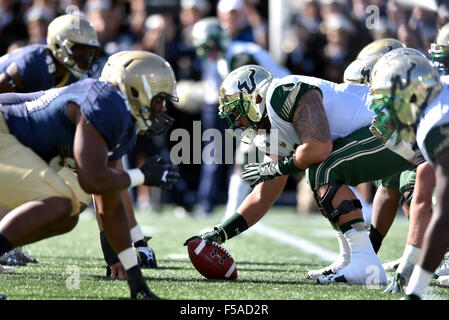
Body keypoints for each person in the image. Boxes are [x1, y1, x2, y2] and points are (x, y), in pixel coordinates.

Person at [184, 63, 414, 285]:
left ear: (255, 99)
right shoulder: (267, 131)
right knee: (319, 173)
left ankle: (365, 261)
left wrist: (278, 167)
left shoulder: (283, 93)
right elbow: (264, 194)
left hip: (394, 122)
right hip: (385, 130)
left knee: (322, 170)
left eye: (237, 112)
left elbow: (318, 148)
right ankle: (351, 259)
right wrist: (221, 232)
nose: (237, 122)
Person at [0, 50, 180, 299]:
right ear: (135, 90)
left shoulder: (123, 122)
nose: (161, 108)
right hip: (5, 131)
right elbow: (91, 179)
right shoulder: (105, 103)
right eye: (159, 99)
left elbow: (108, 198)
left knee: (67, 214)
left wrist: (134, 276)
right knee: (59, 203)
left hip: (16, 144)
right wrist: (143, 176)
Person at [0, 13, 100, 267]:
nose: (86, 57)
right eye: (79, 49)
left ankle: (10, 241)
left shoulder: (73, 75)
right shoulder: (33, 64)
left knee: (57, 196)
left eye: (90, 51)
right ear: (58, 45)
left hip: (19, 130)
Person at [191, 17, 291, 219]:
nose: (206, 52)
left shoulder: (240, 56)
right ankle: (231, 216)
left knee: (316, 158)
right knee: (245, 160)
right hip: (272, 105)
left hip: (283, 102)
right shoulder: (225, 57)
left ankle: (231, 217)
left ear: (218, 39)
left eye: (208, 45)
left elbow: (254, 91)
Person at [368, 47, 448, 299]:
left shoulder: (436, 122)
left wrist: (415, 291)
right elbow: (424, 198)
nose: (387, 114)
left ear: (411, 93)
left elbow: (444, 214)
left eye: (389, 102)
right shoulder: (436, 100)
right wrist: (409, 264)